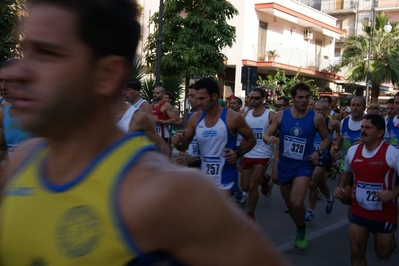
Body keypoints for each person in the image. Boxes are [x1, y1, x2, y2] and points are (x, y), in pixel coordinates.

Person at [0, 1, 291, 265]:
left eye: (47, 53)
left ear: (107, 75)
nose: (17, 73)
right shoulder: (22, 161)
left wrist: (233, 152)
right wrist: (183, 142)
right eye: (25, 51)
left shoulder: (168, 194)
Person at [263, 83, 330, 250]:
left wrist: (318, 152)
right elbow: (267, 134)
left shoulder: (316, 118)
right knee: (290, 204)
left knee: (297, 201)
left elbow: (326, 139)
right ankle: (301, 228)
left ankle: (301, 228)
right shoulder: (280, 116)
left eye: (307, 97)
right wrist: (268, 139)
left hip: (304, 165)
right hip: (285, 164)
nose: (304, 100)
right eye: (300, 97)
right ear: (293, 99)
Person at [172, 78, 256, 198]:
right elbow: (183, 146)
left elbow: (251, 139)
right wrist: (177, 142)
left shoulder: (233, 118)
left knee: (215, 213)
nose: (198, 102)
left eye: (202, 98)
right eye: (196, 98)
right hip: (202, 176)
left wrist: (238, 152)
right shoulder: (195, 118)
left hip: (225, 177)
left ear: (215, 96)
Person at [334, 114, 399, 266]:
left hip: (384, 212)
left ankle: (392, 242)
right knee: (356, 250)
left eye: (368, 128)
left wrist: (392, 193)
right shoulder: (353, 151)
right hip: (359, 210)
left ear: (380, 132)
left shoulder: (392, 153)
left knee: (383, 253)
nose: (362, 131)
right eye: (362, 127)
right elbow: (347, 170)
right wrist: (340, 187)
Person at [240, 88, 274, 220]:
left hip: (263, 153)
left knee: (253, 185)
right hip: (248, 153)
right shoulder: (245, 115)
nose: (252, 100)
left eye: (256, 98)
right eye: (250, 97)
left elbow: (278, 129)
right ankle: (265, 180)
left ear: (262, 99)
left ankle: (250, 213)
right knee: (245, 186)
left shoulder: (270, 115)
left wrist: (273, 137)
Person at [305, 99, 340, 222]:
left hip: (324, 157)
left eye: (321, 109)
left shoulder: (332, 123)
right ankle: (329, 198)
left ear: (327, 110)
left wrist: (336, 145)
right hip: (310, 156)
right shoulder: (310, 121)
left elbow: (341, 132)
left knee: (312, 182)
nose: (318, 111)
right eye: (316, 109)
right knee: (320, 183)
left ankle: (311, 210)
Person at [332, 96, 366, 206]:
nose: (355, 108)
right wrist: (336, 147)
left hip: (363, 165)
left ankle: (357, 212)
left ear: (364, 107)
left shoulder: (368, 123)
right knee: (342, 195)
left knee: (360, 195)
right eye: (353, 105)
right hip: (346, 165)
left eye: (358, 105)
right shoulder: (344, 122)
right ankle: (353, 207)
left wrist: (363, 144)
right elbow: (342, 136)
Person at [115, 89, 170, 155]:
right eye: (154, 93)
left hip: (162, 135)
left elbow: (177, 121)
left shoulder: (146, 106)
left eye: (157, 93)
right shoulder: (152, 105)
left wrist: (160, 121)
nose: (154, 94)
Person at [0, 59, 35, 165]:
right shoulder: (4, 114)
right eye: (0, 81)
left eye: (10, 80)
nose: (3, 87)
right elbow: (3, 150)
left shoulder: (41, 112)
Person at [173, 84, 201, 167]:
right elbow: (186, 140)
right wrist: (178, 143)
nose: (189, 99)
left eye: (192, 96)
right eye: (189, 96)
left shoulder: (212, 117)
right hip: (191, 162)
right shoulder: (191, 115)